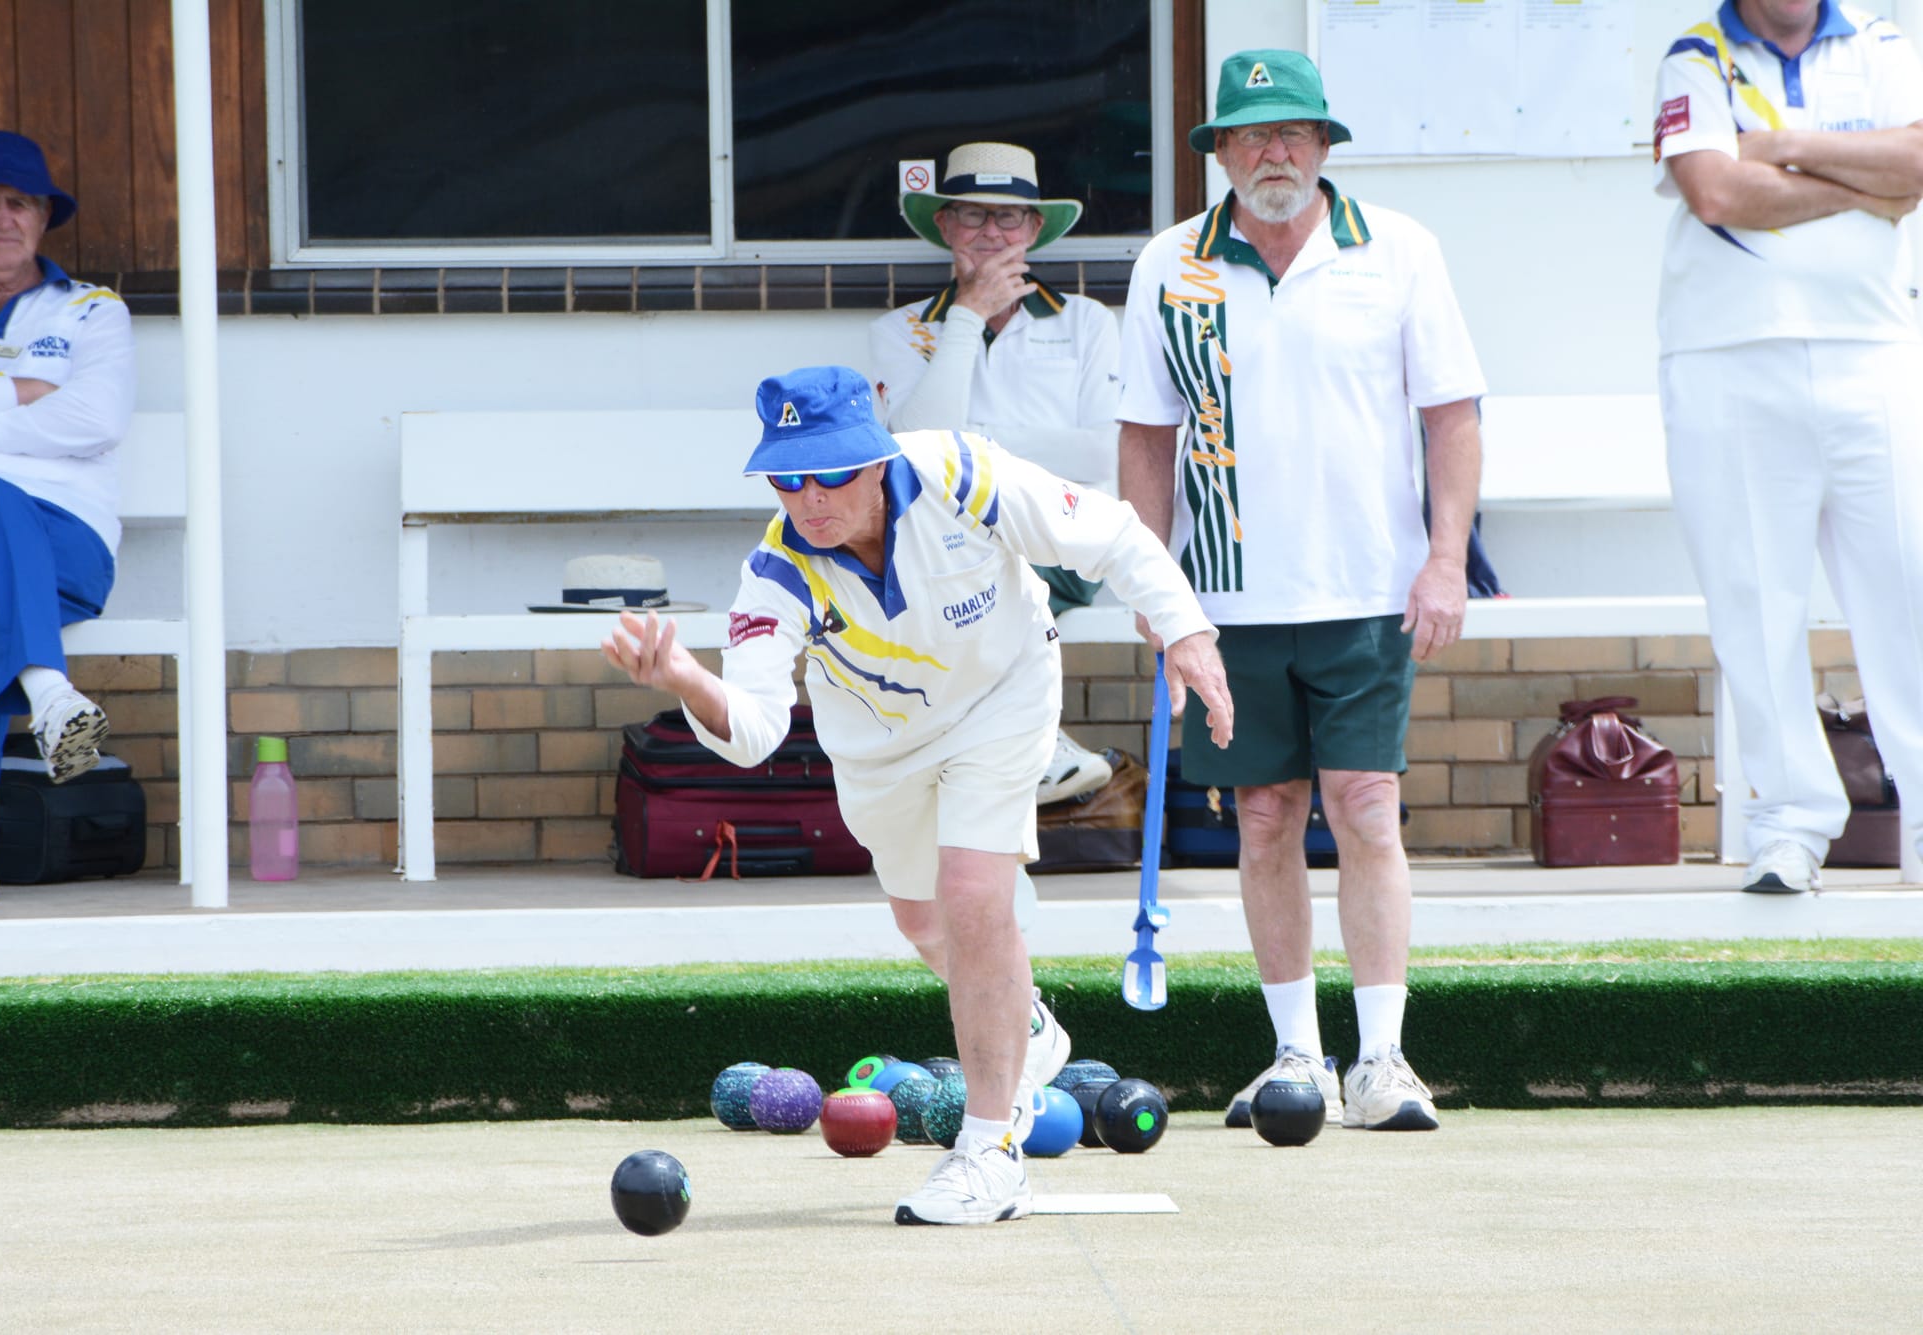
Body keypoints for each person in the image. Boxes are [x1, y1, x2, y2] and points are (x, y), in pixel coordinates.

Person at [603, 365, 1232, 1224]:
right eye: (788, 476)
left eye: (828, 472)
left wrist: (1189, 630)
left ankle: (989, 1149)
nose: (809, 496)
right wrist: (685, 676)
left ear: (872, 458)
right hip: (879, 752)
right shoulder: (777, 570)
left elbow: (1115, 534)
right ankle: (1029, 1027)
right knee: (924, 920)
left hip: (1004, 697)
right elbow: (751, 729)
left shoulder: (961, 475)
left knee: (976, 895)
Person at [1116, 51, 1485, 1133]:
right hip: (1223, 605)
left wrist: (1445, 558)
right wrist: (1153, 580)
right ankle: (1293, 1058)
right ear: (1218, 152)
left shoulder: (1399, 251)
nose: (1270, 153)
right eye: (1247, 134)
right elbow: (1144, 438)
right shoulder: (1166, 265)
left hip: (1368, 591)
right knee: (1264, 817)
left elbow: (1450, 417)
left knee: (1365, 809)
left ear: (1323, 146)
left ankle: (1381, 1063)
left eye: (1290, 133)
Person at [1653, 0, 1923, 893]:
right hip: (1729, 359)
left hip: (1872, 353)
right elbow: (1718, 191)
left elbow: (1917, 161)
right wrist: (1861, 183)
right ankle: (1792, 824)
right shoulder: (1697, 54)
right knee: (1754, 603)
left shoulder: (1884, 45)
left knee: (1907, 592)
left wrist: (1775, 143)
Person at [869, 142, 1121, 807]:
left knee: (971, 581)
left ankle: (1014, 753)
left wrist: (971, 446)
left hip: (1060, 537)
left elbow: (1099, 454)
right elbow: (914, 448)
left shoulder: (1088, 324)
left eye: (1009, 217)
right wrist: (966, 319)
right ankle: (1031, 751)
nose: (991, 232)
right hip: (951, 542)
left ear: (1035, 229)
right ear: (945, 226)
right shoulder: (899, 331)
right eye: (973, 215)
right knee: (952, 573)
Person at [0, 130, 135, 902]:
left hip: (67, 541)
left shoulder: (93, 312)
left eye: (20, 203)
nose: (3, 218)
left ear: (43, 218)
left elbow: (98, 420)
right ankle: (49, 692)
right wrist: (22, 394)